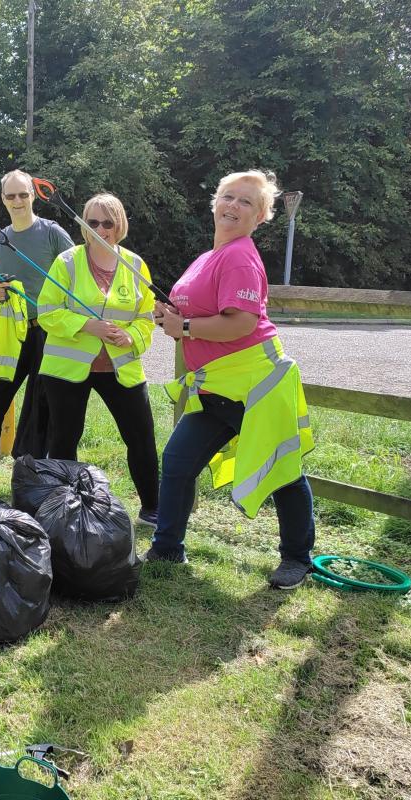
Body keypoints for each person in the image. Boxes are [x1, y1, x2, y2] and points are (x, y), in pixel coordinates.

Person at [149, 170, 316, 589]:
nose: (233, 206)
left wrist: (183, 328)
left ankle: (298, 558)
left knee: (282, 470)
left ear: (260, 216)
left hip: (256, 384)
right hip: (218, 386)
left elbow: (241, 323)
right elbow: (194, 314)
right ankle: (167, 548)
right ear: (215, 203)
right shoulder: (208, 257)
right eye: (227, 197)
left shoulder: (240, 255)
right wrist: (169, 319)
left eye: (245, 202)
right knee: (178, 462)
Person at [37, 192, 159, 528]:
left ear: (119, 225)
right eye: (92, 222)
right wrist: (87, 324)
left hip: (120, 369)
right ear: (83, 225)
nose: (100, 229)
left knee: (141, 437)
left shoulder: (135, 265)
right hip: (67, 369)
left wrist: (131, 335)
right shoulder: (66, 262)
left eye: (108, 222)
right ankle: (62, 509)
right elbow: (47, 312)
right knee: (64, 439)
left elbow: (146, 318)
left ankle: (152, 508)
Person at [0, 169, 74, 492]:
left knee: (39, 410)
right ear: (2, 199)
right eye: (10, 196)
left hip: (48, 332)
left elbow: (78, 275)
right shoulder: (0, 240)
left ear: (33, 195)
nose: (17, 201)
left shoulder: (52, 233)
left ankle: (33, 476)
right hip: (12, 334)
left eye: (23, 194)